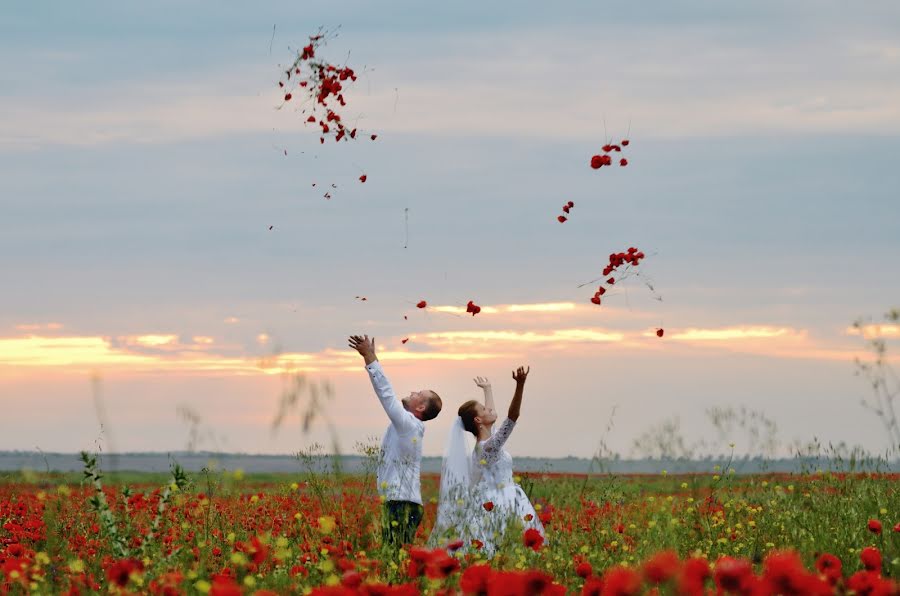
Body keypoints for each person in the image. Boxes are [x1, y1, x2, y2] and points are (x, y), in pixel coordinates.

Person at [431, 368, 544, 556]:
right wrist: (520, 385)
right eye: (484, 409)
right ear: (478, 419)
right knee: (512, 550)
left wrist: (488, 389)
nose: (489, 409)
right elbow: (512, 418)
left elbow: (493, 415)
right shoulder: (487, 448)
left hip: (506, 498)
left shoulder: (486, 443)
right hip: (503, 503)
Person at [349, 334, 442, 550]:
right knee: (396, 556)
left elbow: (386, 395)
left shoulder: (409, 424)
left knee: (393, 556)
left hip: (402, 503)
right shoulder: (409, 426)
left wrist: (370, 357)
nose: (412, 392)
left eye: (418, 393)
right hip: (402, 501)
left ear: (420, 408)